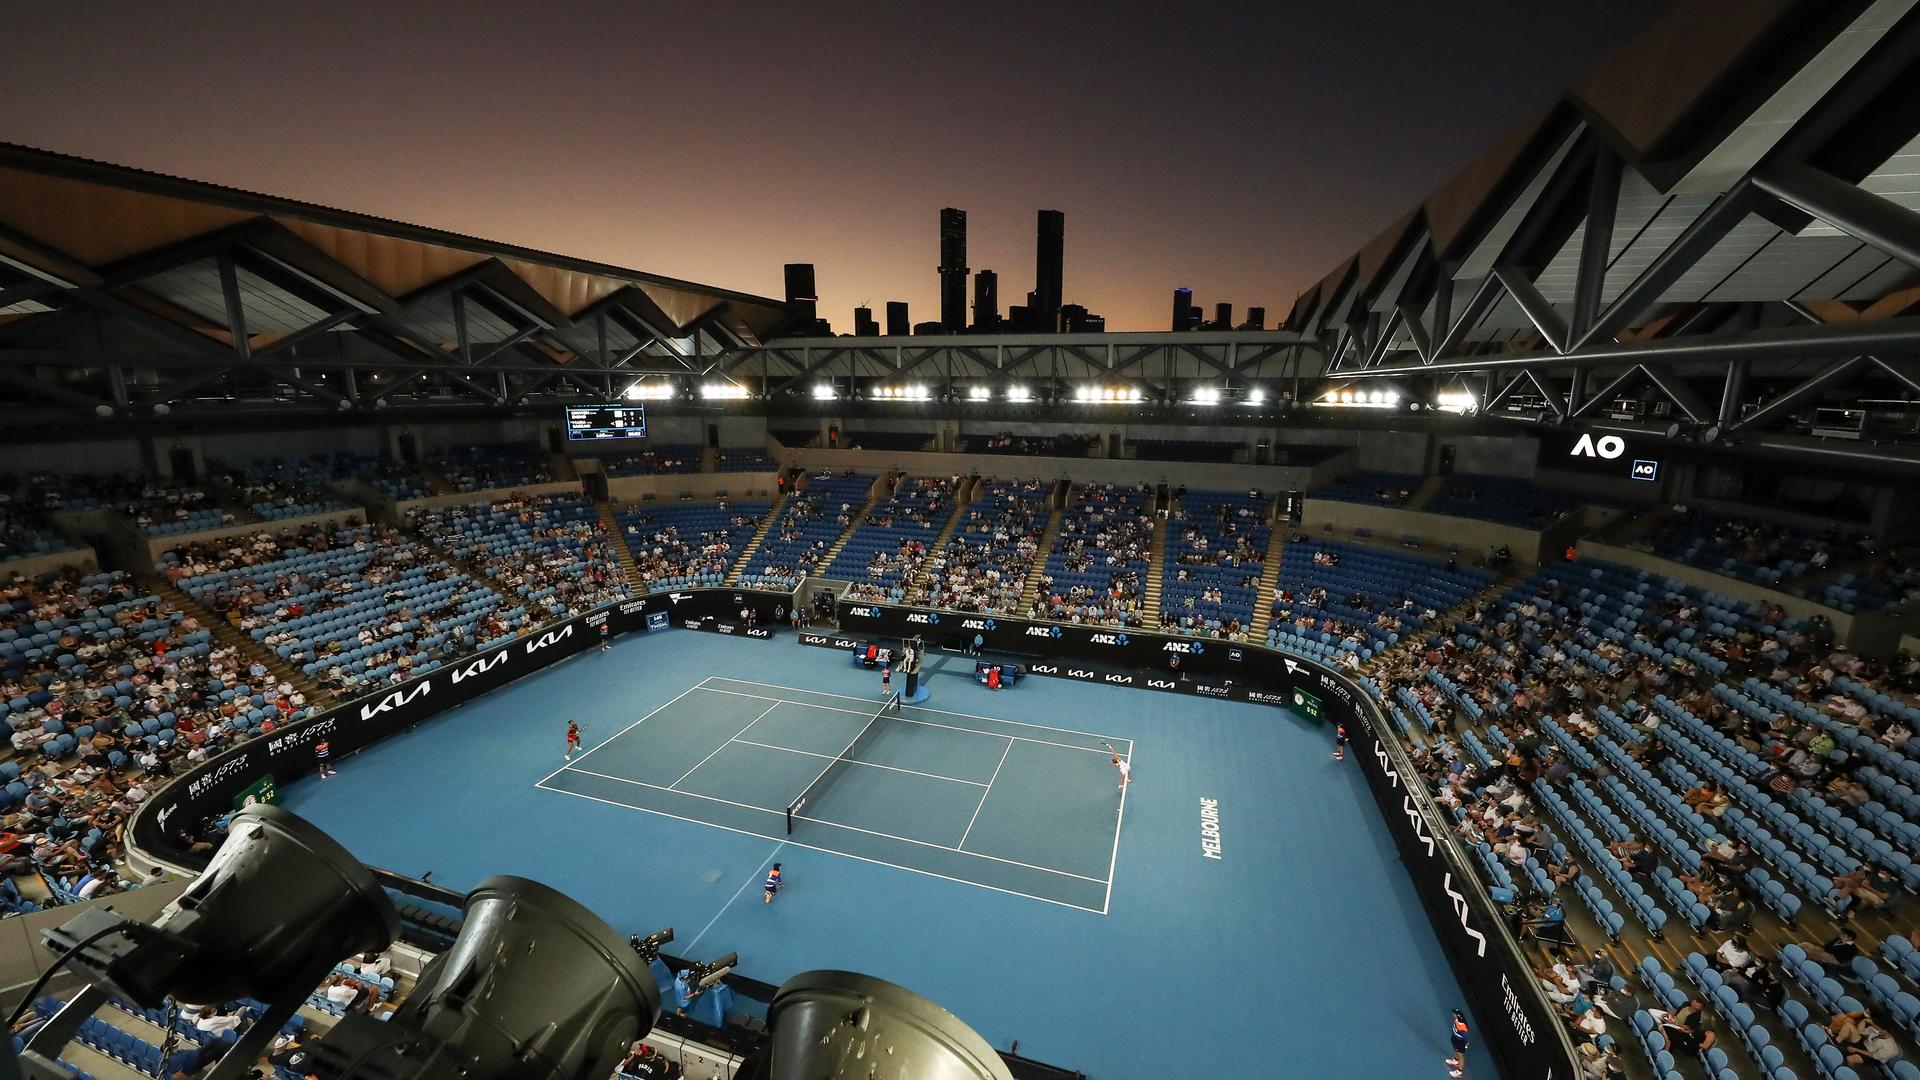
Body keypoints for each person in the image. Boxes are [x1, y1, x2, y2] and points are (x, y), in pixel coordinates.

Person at [1447, 1009, 1470, 1076]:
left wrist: (1466, 1044)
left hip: (1460, 1043)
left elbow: (1465, 1037)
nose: (1453, 1014)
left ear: (1458, 1016)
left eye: (1455, 1013)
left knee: (1461, 1056)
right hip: (1456, 1039)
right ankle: (1456, 1061)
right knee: (1456, 1051)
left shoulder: (1463, 1027)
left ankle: (1459, 1072)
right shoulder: (1457, 1020)